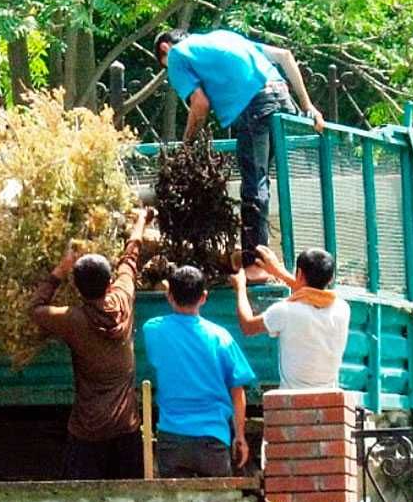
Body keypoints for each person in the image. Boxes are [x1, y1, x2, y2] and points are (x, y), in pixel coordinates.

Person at [154, 28, 325, 284]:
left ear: (164, 50)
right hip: (282, 96)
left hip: (255, 105)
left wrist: (185, 147)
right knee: (262, 180)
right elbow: (285, 56)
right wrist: (308, 105)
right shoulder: (225, 36)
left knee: (254, 184)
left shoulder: (177, 55)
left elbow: (200, 104)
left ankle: (256, 265)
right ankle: (258, 256)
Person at [29, 209, 154, 480]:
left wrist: (59, 271)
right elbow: (130, 256)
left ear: (77, 289)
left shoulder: (73, 319)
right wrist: (142, 220)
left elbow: (36, 309)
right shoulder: (123, 300)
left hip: (88, 432)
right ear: (109, 283)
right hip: (126, 428)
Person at [143, 266, 256, 478]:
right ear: (204, 297)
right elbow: (237, 391)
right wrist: (239, 435)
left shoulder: (153, 330)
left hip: (171, 436)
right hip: (212, 437)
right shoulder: (221, 338)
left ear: (169, 296)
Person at [230, 245, 350, 390]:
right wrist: (280, 273)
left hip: (292, 400)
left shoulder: (285, 311)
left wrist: (240, 288)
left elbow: (248, 326)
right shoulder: (342, 309)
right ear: (330, 279)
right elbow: (312, 294)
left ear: (299, 273)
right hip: (328, 397)